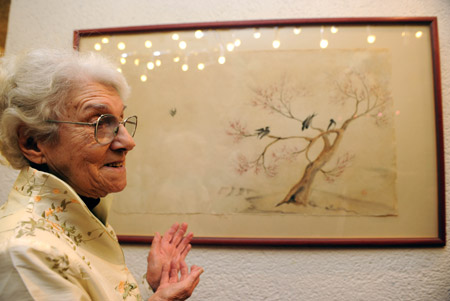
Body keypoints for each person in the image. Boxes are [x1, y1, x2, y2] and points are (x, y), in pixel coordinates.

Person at [0, 49, 203, 300]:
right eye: (100, 123)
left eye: (121, 121)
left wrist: (156, 290)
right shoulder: (26, 249)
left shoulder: (77, 218)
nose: (128, 142)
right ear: (32, 142)